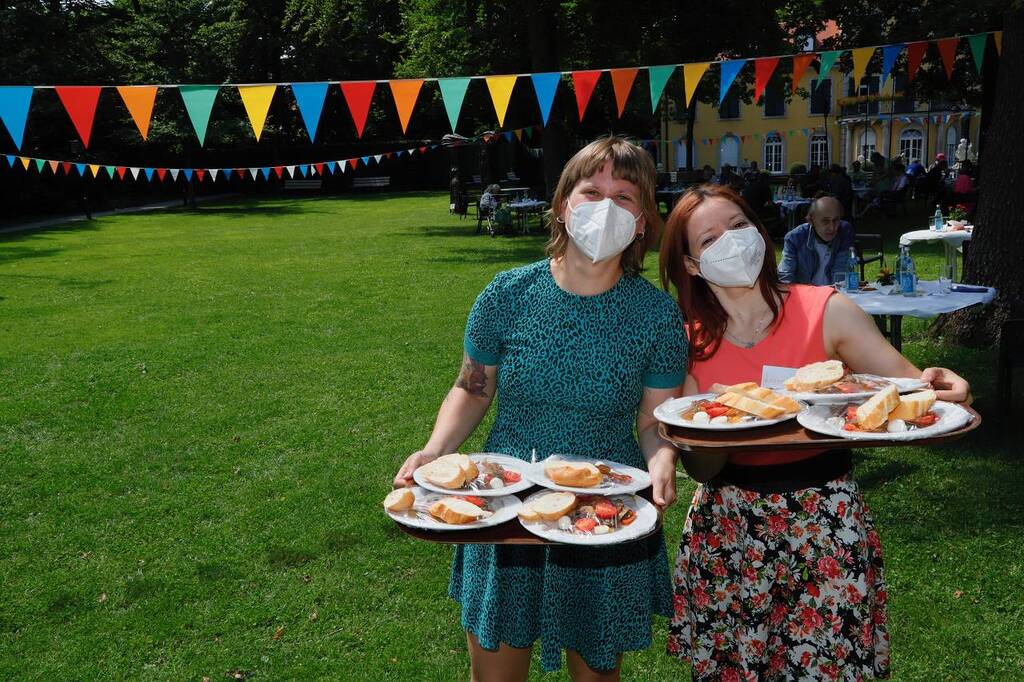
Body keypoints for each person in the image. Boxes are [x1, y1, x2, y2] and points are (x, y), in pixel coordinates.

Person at [394, 137, 686, 681]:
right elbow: (473, 388)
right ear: (561, 204)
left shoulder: (657, 317)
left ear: (644, 221)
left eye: (625, 197)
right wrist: (435, 451)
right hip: (506, 499)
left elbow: (653, 421)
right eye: (592, 191)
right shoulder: (507, 293)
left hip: (605, 509)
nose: (606, 206)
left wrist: (662, 459)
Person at [658, 184, 971, 680]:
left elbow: (907, 387)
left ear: (761, 234)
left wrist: (941, 382)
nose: (733, 242)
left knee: (829, 665)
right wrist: (719, 423)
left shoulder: (826, 309)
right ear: (693, 264)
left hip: (824, 518)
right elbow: (701, 467)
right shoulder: (685, 338)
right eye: (710, 239)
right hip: (731, 528)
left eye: (740, 227)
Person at [777, 195, 855, 285]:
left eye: (836, 220)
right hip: (805, 296)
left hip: (834, 295)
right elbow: (785, 278)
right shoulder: (795, 238)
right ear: (811, 221)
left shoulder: (844, 231)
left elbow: (841, 276)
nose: (832, 227)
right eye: (825, 221)